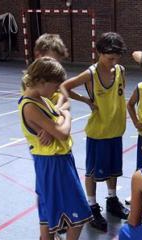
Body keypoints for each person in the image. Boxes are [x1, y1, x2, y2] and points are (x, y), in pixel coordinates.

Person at [60, 32, 129, 232]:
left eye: (116, 58)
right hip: (98, 133)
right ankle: (92, 206)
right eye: (110, 58)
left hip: (116, 130)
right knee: (92, 172)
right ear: (99, 53)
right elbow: (65, 86)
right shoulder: (91, 73)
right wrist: (84, 100)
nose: (113, 62)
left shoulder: (120, 70)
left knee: (114, 170)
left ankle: (112, 199)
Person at [18, 57, 93, 240]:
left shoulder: (41, 98)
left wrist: (57, 123)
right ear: (41, 82)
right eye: (54, 85)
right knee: (79, 215)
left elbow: (59, 118)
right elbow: (63, 133)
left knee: (48, 213)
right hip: (53, 164)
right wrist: (66, 116)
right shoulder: (30, 106)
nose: (57, 89)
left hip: (57, 161)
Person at [21, 33, 70, 110]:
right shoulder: (31, 80)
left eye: (58, 62)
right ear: (38, 55)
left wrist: (59, 107)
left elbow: (66, 99)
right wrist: (59, 111)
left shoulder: (53, 76)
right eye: (51, 60)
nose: (55, 65)